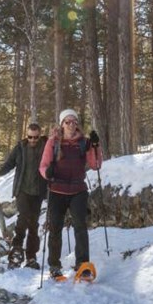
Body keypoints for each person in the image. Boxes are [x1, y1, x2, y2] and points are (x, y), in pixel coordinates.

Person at [39, 108, 102, 280]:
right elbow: (43, 166)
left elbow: (95, 165)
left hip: (77, 190)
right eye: (67, 122)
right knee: (55, 229)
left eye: (74, 122)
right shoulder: (53, 142)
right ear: (62, 124)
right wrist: (48, 173)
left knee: (80, 227)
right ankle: (54, 265)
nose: (71, 125)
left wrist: (96, 147)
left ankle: (83, 265)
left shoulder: (84, 142)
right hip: (56, 190)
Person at [0, 123, 48, 269]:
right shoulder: (20, 148)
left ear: (40, 135)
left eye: (35, 137)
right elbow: (9, 164)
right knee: (23, 218)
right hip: (22, 190)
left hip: (38, 191)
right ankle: (16, 251)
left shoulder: (46, 147)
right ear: (27, 135)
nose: (32, 140)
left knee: (34, 224)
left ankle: (31, 257)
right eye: (30, 137)